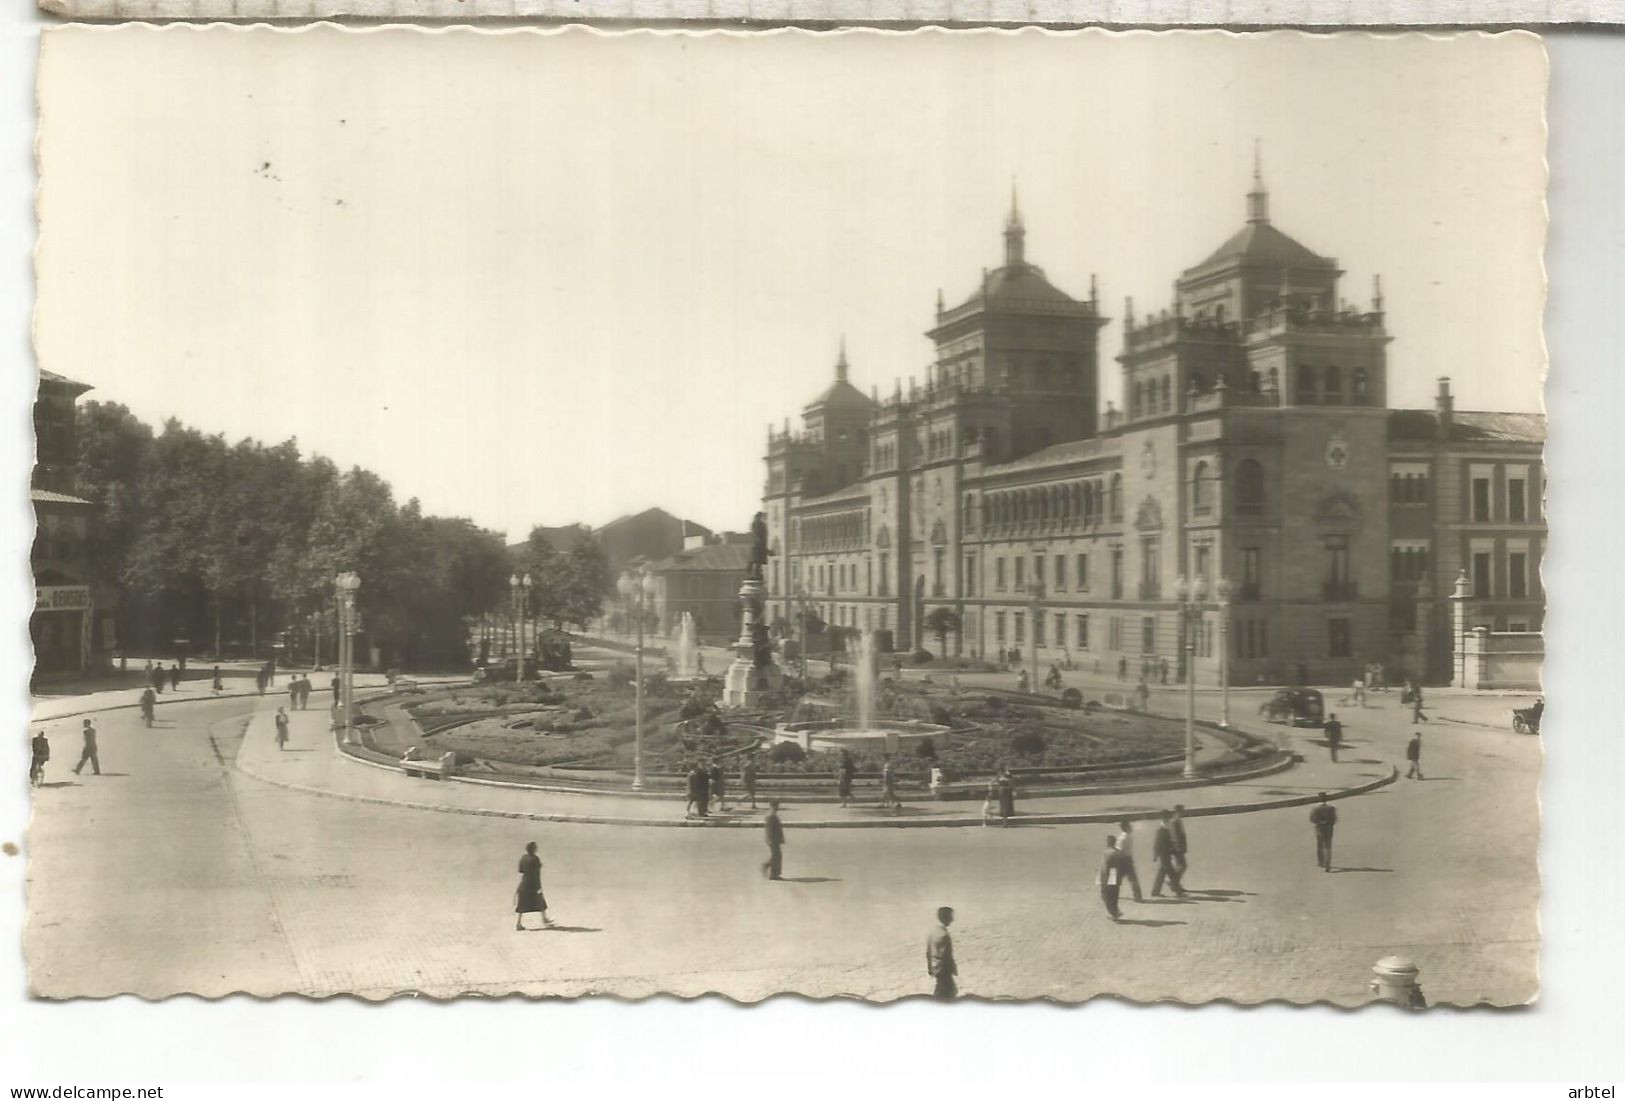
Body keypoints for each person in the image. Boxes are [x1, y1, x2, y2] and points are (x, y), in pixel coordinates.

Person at [514, 841, 552, 930]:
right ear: (534, 849)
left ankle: (518, 923)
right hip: (533, 884)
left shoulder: (523, 858)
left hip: (524, 883)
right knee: (540, 902)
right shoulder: (535, 859)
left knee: (522, 904)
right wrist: (539, 887)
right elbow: (537, 874)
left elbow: (520, 870)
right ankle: (544, 920)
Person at [1150, 811, 1186, 897]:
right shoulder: (1161, 829)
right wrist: (1155, 855)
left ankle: (1155, 892)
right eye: (1166, 817)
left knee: (1161, 874)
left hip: (1165, 855)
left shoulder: (1165, 828)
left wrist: (1173, 849)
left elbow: (1169, 842)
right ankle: (1178, 892)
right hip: (1164, 855)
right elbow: (1157, 844)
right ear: (1163, 818)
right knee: (1172, 874)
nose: (1168, 819)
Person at [926, 907, 958, 1000]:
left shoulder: (933, 931)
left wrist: (930, 967)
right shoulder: (943, 934)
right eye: (950, 917)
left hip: (936, 968)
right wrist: (952, 968)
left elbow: (928, 952)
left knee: (943, 992)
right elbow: (946, 956)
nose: (952, 919)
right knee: (948, 993)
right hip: (944, 971)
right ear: (945, 917)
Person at [1097, 835, 1129, 921]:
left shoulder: (1107, 852)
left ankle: (1114, 912)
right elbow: (1124, 866)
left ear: (1108, 843)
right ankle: (1115, 912)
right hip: (1116, 875)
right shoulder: (1118, 852)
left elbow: (1104, 867)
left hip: (1108, 876)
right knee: (1114, 895)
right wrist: (1121, 876)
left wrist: (1100, 878)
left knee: (1105, 895)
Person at [1114, 819, 1144, 902]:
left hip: (1125, 859)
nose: (1131, 827)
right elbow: (1119, 850)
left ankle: (1109, 893)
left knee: (1118, 879)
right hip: (1125, 859)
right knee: (1132, 879)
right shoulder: (1124, 837)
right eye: (1129, 826)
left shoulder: (1125, 835)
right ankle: (1138, 896)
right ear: (1126, 828)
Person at [1310, 794, 1338, 871]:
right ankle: (1328, 863)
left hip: (1319, 828)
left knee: (1320, 845)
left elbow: (1312, 819)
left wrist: (1320, 822)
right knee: (1328, 845)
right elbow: (1334, 820)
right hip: (1329, 828)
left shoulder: (1315, 809)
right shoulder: (1332, 808)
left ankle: (1321, 861)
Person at [761, 802, 785, 880]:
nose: (778, 807)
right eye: (776, 806)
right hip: (773, 839)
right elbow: (770, 830)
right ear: (772, 805)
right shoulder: (771, 815)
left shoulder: (772, 814)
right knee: (776, 856)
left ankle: (774, 874)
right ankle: (772, 872)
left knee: (776, 855)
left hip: (774, 839)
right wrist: (773, 840)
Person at [1169, 804, 1189, 877]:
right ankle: (1174, 882)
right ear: (1178, 811)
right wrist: (1177, 847)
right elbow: (1174, 836)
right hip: (1177, 847)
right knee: (1182, 866)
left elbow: (1183, 835)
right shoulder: (1174, 822)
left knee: (1180, 866)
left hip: (1180, 847)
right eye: (1182, 811)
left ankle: (1174, 882)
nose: (1183, 812)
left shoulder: (1179, 821)